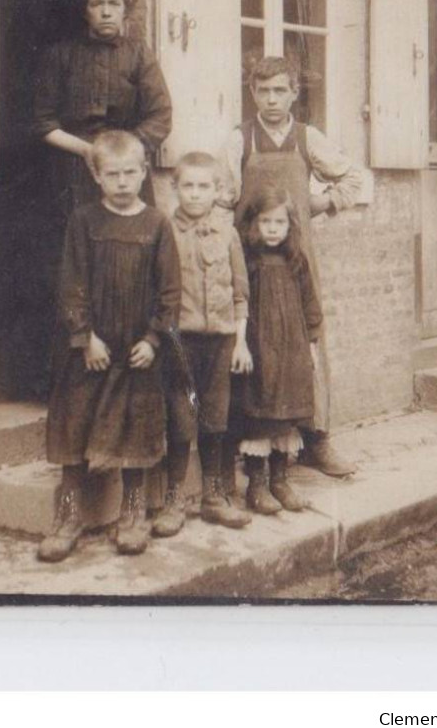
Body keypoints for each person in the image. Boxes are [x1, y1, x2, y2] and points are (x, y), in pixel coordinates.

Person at [29, 0, 173, 395]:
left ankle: (133, 376)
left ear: (126, 8)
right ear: (85, 10)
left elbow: (161, 116)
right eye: (97, 4)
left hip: (127, 170)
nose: (106, 11)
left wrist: (124, 155)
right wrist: (91, 152)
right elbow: (43, 123)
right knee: (77, 267)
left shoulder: (140, 55)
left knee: (131, 267)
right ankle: (75, 379)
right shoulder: (60, 57)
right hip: (74, 173)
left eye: (114, 3)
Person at [38, 131, 181, 563]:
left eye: (130, 173)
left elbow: (170, 292)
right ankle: (68, 517)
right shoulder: (84, 221)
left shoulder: (157, 224)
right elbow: (72, 283)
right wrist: (85, 337)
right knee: (74, 427)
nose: (122, 182)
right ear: (96, 176)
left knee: (136, 429)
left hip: (137, 350)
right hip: (92, 350)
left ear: (143, 173)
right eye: (112, 174)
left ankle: (132, 514)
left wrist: (154, 339)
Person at [220, 53, 363, 477]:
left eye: (280, 90)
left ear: (295, 93)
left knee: (310, 343)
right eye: (262, 91)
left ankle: (316, 438)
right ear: (252, 94)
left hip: (298, 260)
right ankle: (249, 443)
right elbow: (223, 197)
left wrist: (316, 204)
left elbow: (355, 179)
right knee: (253, 344)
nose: (271, 99)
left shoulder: (307, 138)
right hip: (251, 264)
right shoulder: (239, 140)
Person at [153, 152, 252, 539]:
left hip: (223, 341)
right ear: (175, 189)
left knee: (216, 416)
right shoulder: (166, 231)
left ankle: (212, 496)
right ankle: (174, 498)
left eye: (204, 186)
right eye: (188, 186)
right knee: (181, 414)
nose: (195, 194)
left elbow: (241, 293)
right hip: (181, 340)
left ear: (218, 190)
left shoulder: (228, 233)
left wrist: (241, 343)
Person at [238, 185, 323, 514]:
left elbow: (310, 304)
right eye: (265, 222)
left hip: (291, 346)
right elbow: (239, 301)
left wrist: (311, 343)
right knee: (261, 409)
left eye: (279, 223)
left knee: (286, 412)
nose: (272, 229)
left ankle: (280, 480)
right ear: (253, 224)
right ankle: (256, 486)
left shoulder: (295, 260)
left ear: (290, 226)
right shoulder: (249, 260)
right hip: (259, 346)